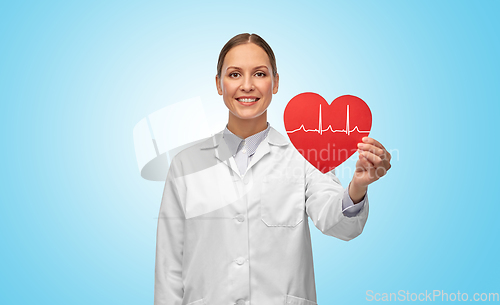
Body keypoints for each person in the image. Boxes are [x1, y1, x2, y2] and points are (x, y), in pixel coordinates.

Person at [154, 33, 392, 305]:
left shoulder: (304, 156)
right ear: (218, 85)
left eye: (259, 74)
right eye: (234, 75)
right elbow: (169, 263)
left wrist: (358, 186)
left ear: (275, 82)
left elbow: (339, 225)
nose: (246, 85)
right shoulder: (186, 164)